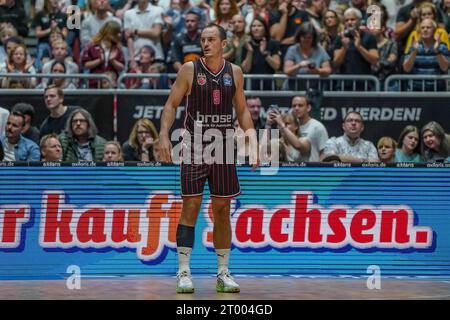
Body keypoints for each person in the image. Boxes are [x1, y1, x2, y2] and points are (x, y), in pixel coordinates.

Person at [159, 23, 257, 294]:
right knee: (190, 206)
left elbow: (243, 111)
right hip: (193, 144)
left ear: (224, 43)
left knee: (223, 210)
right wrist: (164, 135)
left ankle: (223, 272)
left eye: (211, 39)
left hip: (224, 146)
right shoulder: (189, 69)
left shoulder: (235, 72)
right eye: (203, 39)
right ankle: (183, 271)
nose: (206, 43)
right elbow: (171, 105)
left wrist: (253, 139)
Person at [332, 8, 379, 88]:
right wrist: (344, 48)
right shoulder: (340, 38)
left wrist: (359, 47)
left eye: (352, 19)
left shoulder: (369, 37)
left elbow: (375, 60)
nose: (349, 22)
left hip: (365, 85)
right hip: (344, 85)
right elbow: (336, 63)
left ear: (360, 21)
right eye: (346, 20)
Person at [402, 18, 450, 91]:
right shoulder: (413, 46)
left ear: (434, 30)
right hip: (416, 91)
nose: (425, 30)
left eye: (428, 27)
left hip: (437, 92)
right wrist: (414, 51)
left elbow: (445, 68)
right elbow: (406, 68)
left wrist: (437, 51)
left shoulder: (442, 46)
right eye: (422, 27)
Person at [283, 22, 332, 90]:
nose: (306, 40)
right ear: (299, 37)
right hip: (293, 90)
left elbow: (328, 70)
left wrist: (317, 71)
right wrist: (299, 66)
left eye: (309, 38)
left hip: (313, 91)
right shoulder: (292, 49)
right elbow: (287, 70)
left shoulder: (320, 50)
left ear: (313, 38)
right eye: (304, 37)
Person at [240, 16, 281, 90]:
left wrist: (264, 53)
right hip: (251, 86)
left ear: (265, 28)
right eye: (253, 26)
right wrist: (250, 51)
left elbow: (276, 66)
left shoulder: (273, 43)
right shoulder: (246, 45)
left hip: (269, 85)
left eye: (259, 26)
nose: (256, 28)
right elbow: (246, 69)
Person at [82, 20, 125, 88]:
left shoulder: (118, 48)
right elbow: (86, 65)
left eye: (119, 32)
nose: (119, 35)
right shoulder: (92, 46)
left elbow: (122, 67)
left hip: (112, 85)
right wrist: (99, 61)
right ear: (109, 33)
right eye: (116, 33)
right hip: (95, 84)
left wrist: (113, 61)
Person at [123, 0, 165, 68]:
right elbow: (128, 37)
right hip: (136, 58)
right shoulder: (128, 13)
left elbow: (156, 33)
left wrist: (135, 31)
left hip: (156, 57)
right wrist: (132, 59)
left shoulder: (158, 10)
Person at [290, 95, 328, 161]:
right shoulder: (289, 127)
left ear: (308, 108)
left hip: (311, 169)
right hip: (292, 169)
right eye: (294, 106)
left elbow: (324, 153)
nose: (296, 108)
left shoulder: (317, 127)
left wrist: (320, 170)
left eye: (300, 105)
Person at [32, 0, 68, 70]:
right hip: (44, 43)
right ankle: (41, 71)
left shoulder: (63, 16)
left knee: (65, 48)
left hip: (59, 43)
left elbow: (65, 34)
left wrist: (57, 34)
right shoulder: (40, 14)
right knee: (43, 48)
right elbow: (38, 33)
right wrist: (50, 30)